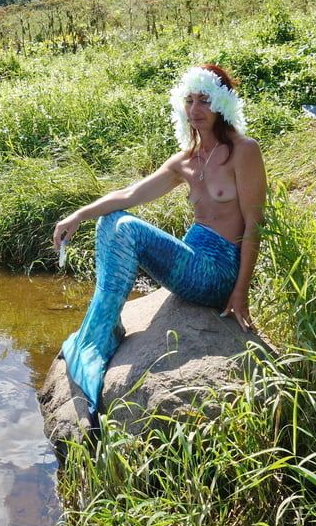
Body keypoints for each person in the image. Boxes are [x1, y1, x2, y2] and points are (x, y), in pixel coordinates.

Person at [51, 64, 267, 416]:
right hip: (191, 257)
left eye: (205, 101)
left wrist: (240, 293)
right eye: (190, 101)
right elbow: (129, 193)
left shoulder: (244, 151)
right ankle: (104, 328)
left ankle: (99, 334)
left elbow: (256, 224)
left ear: (222, 106)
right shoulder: (185, 161)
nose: (196, 110)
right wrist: (78, 215)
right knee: (112, 219)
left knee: (128, 229)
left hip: (218, 270)